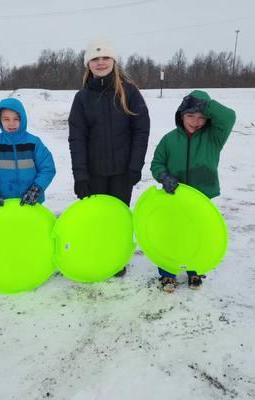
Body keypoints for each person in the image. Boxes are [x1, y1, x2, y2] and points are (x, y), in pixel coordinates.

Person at [68, 38, 150, 276]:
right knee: (97, 219)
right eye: (95, 58)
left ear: (114, 61)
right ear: (88, 64)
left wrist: (135, 166)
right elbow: (77, 139)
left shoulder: (130, 92)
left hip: (122, 173)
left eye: (105, 58)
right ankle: (100, 256)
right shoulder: (82, 98)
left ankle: (116, 260)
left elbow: (141, 130)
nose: (101, 62)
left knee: (118, 219)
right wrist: (80, 176)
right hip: (93, 173)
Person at [151, 90, 236, 292]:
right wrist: (164, 176)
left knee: (198, 234)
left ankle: (194, 269)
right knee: (171, 234)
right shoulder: (169, 140)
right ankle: (168, 274)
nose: (195, 121)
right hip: (175, 198)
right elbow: (157, 163)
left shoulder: (214, 137)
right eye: (190, 115)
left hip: (201, 199)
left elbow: (229, 117)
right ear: (181, 116)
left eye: (201, 117)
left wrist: (205, 105)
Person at [0, 97, 55, 209]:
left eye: (16, 119)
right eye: (6, 119)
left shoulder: (34, 143)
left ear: (22, 119)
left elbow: (47, 168)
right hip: (3, 204)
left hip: (30, 203)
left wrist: (37, 188)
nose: (11, 123)